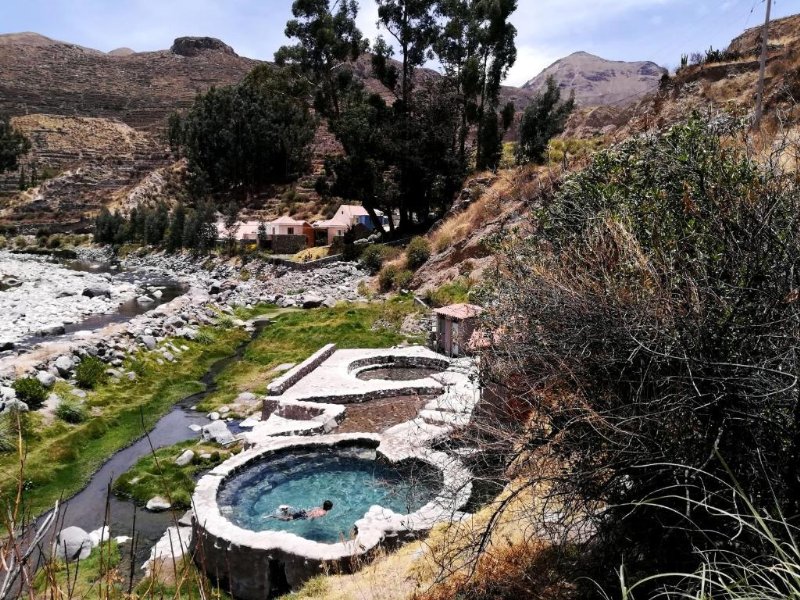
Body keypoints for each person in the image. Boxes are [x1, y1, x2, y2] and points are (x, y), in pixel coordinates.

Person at [268, 500, 333, 521]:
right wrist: (311, 521)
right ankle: (273, 516)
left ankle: (285, 510)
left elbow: (312, 510)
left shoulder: (320, 507)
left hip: (304, 511)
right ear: (329, 507)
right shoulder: (323, 513)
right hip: (305, 516)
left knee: (291, 515)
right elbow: (314, 516)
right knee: (288, 519)